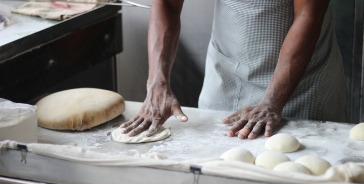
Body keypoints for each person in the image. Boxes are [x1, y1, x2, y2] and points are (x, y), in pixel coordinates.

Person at [120, 0, 346, 140]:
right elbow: (167, 3)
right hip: (226, 76)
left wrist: (272, 101)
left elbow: (308, 15)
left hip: (302, 86)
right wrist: (157, 83)